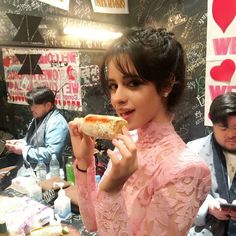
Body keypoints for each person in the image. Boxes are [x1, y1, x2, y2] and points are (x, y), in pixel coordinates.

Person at [69, 27, 211, 236]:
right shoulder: (129, 141)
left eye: (133, 83)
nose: (117, 98)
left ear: (166, 85)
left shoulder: (188, 171)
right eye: (113, 86)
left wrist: (111, 190)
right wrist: (84, 162)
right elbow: (92, 223)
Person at [188, 92, 236, 236]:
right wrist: (208, 206)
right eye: (223, 128)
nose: (231, 134)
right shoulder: (192, 151)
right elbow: (179, 198)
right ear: (211, 121)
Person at [5, 86, 70, 170]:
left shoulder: (56, 123)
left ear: (48, 105)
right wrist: (17, 143)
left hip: (48, 173)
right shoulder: (39, 117)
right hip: (32, 169)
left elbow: (52, 154)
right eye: (31, 106)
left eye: (35, 106)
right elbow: (30, 141)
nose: (31, 109)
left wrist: (23, 150)